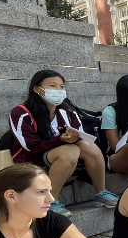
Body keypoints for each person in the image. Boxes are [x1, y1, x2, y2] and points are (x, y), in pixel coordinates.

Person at [9, 70, 119, 217]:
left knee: (88, 146)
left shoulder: (68, 112)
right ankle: (50, 201)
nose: (59, 90)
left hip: (63, 164)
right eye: (53, 86)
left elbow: (81, 136)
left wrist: (74, 138)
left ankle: (101, 193)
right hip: (30, 163)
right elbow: (31, 147)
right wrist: (60, 140)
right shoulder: (20, 113)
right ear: (36, 89)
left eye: (62, 87)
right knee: (69, 150)